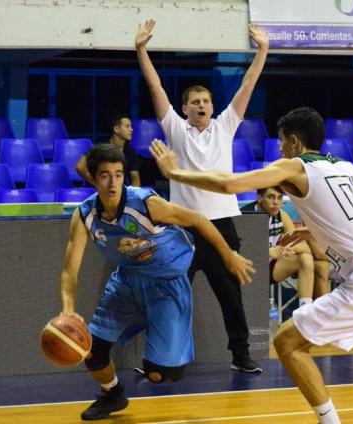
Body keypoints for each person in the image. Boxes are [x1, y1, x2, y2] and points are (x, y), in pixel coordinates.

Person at [149, 107, 353, 424]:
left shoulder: (295, 166)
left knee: (287, 343)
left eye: (281, 142)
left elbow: (231, 184)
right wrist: (316, 228)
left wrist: (175, 173)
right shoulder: (346, 166)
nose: (279, 149)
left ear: (294, 142)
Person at [59, 144, 255, 420]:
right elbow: (70, 270)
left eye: (118, 174)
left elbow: (197, 219)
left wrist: (229, 255)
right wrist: (68, 309)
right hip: (128, 280)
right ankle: (113, 394)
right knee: (93, 351)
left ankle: (157, 327)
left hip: (167, 283)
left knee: (162, 374)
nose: (113, 182)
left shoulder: (146, 203)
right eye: (105, 175)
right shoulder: (85, 215)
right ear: (93, 177)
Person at [135, 19, 269, 373]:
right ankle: (159, 361)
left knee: (231, 298)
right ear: (185, 109)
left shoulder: (225, 126)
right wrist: (142, 50)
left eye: (206, 100)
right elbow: (155, 86)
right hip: (183, 230)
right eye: (195, 101)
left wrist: (263, 50)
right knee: (170, 296)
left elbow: (248, 84)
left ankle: (241, 357)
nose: (202, 105)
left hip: (222, 224)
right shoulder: (175, 130)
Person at [241, 186, 330, 306]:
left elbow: (303, 246)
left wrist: (285, 248)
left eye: (279, 198)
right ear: (259, 198)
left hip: (270, 267)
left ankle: (305, 309)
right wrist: (267, 251)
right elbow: (237, 251)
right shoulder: (246, 215)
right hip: (247, 269)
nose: (276, 202)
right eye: (271, 197)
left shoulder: (281, 215)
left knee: (305, 258)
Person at [76, 115, 141, 187]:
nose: (131, 130)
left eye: (131, 126)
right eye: (127, 126)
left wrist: (134, 195)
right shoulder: (100, 148)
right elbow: (80, 166)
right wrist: (95, 183)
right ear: (116, 129)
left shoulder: (131, 151)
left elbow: (135, 178)